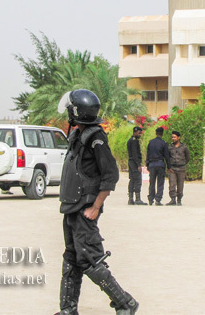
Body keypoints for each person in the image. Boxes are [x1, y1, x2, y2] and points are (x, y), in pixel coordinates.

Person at [55, 89, 138, 315]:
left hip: (85, 208)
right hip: (72, 207)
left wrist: (95, 206)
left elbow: (110, 176)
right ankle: (68, 310)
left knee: (90, 259)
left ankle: (125, 303)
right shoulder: (77, 136)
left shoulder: (96, 137)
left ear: (77, 112)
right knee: (71, 259)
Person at [146, 127, 170, 206]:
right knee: (160, 183)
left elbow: (148, 154)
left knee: (152, 182)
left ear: (156, 133)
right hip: (160, 164)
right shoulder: (164, 143)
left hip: (152, 164)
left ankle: (150, 199)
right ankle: (158, 199)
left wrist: (147, 164)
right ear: (162, 133)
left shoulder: (151, 142)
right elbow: (167, 156)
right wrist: (169, 167)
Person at [167, 131, 190, 206]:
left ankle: (179, 199)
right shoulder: (170, 147)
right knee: (172, 184)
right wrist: (169, 166)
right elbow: (167, 157)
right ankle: (173, 199)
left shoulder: (184, 147)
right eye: (172, 137)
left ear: (178, 138)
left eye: (174, 137)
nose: (173, 138)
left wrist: (183, 163)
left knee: (180, 185)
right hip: (172, 169)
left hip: (181, 169)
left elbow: (187, 158)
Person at [127, 126, 147, 205]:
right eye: (139, 133)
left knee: (132, 180)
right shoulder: (134, 141)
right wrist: (138, 164)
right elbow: (135, 154)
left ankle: (131, 199)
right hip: (134, 163)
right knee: (137, 180)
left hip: (131, 162)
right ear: (135, 132)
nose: (140, 135)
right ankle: (137, 199)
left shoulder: (130, 140)